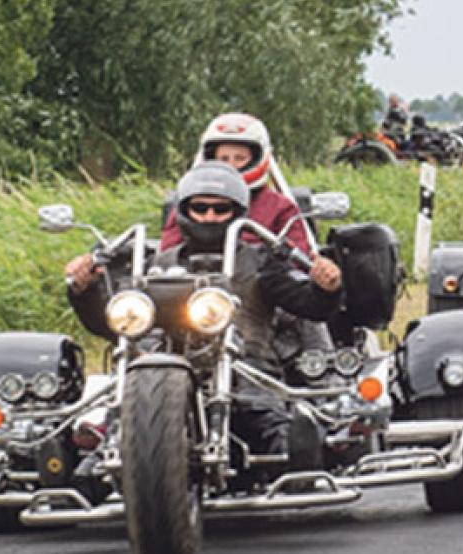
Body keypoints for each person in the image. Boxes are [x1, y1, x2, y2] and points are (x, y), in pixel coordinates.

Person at [65, 162, 342, 461]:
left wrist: (327, 287)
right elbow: (115, 323)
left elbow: (309, 306)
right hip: (158, 378)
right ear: (184, 211)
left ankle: (302, 463)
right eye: (200, 208)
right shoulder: (156, 265)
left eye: (220, 209)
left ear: (237, 212)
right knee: (106, 444)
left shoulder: (262, 261)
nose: (210, 217)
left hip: (246, 374)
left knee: (284, 442)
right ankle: (76, 473)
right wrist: (85, 291)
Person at [160, 113, 311, 254]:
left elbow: (297, 261)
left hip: (258, 279)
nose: (230, 166)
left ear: (257, 159)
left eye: (239, 158)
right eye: (223, 159)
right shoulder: (190, 204)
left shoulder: (280, 207)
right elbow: (167, 254)